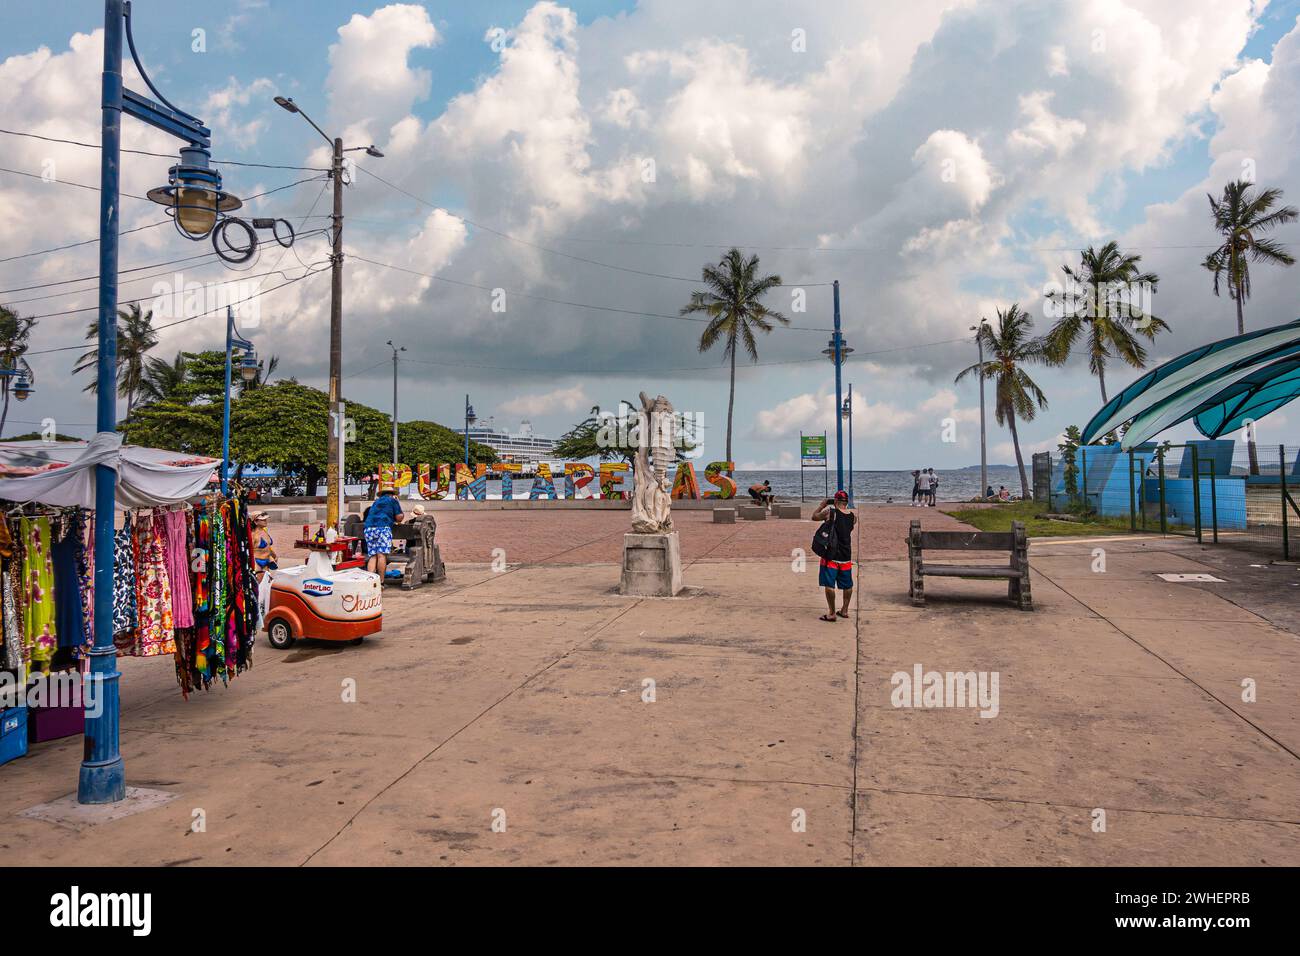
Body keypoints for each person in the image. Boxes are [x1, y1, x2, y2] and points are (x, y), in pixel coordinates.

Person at [812, 490, 856, 622]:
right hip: (846, 555)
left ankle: (832, 613)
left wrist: (822, 505)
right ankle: (844, 610)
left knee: (829, 584)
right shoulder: (853, 517)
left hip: (831, 554)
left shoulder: (831, 512)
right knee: (847, 585)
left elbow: (814, 517)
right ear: (847, 502)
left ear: (835, 501)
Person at [364, 484, 405, 577]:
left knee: (373, 555)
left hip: (368, 529)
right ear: (392, 494)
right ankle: (381, 582)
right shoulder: (393, 500)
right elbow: (399, 518)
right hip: (382, 528)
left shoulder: (376, 502)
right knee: (381, 555)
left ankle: (370, 581)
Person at [251, 511, 277, 580]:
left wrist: (274, 555)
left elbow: (268, 546)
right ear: (256, 522)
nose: (265, 521)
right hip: (257, 562)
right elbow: (249, 550)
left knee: (266, 584)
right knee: (259, 585)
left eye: (266, 519)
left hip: (266, 561)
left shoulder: (264, 531)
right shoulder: (253, 535)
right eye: (262, 520)